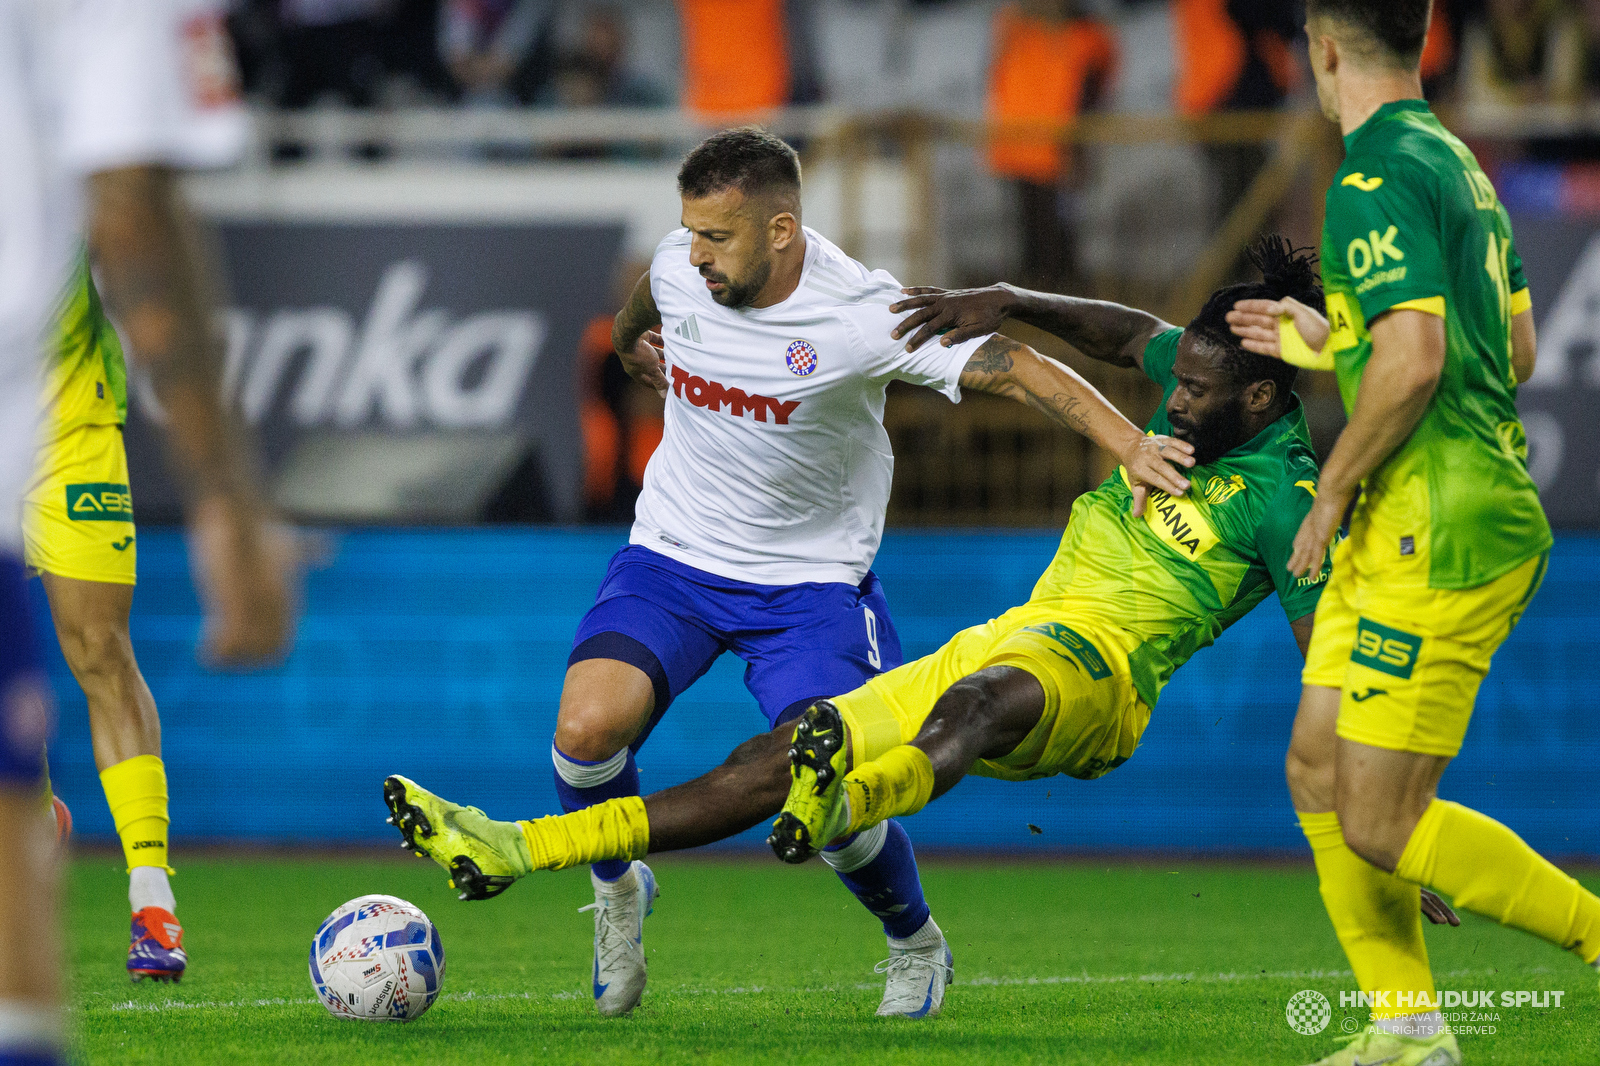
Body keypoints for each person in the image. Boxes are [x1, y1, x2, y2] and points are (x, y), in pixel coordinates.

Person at [382, 239, 1476, 1017]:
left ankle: (850, 799)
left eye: (1194, 393)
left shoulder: (1291, 493)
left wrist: (1388, 810)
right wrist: (1001, 293)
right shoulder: (1192, 391)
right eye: (1172, 384)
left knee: (974, 708)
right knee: (768, 757)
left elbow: (1324, 655)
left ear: (1261, 401)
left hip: (1100, 682)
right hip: (1014, 631)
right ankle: (515, 845)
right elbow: (1120, 333)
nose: (1170, 402)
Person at [385, 125, 1191, 1020]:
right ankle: (618, 892)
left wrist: (1129, 442)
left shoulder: (860, 314)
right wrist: (626, 350)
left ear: (780, 230)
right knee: (586, 729)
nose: (696, 255)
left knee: (820, 777)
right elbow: (640, 303)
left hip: (811, 589)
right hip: (674, 557)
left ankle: (915, 942)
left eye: (717, 237)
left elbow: (1018, 369)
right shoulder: (679, 265)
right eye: (689, 232)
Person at [1224, 3, 1600, 1064]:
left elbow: (1418, 360)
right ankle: (1409, 1029)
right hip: (1419, 511)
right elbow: (1513, 347)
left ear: (1325, 47)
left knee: (1382, 823)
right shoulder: (1458, 164)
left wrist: (1332, 487)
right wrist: (1329, 335)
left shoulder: (1371, 175)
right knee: (1313, 768)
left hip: (1431, 526)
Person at [1, 0, 296, 1057]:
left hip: (64, 410)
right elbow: (138, 206)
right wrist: (231, 497)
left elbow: (126, 206)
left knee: (95, 647)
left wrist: (223, 490)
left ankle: (151, 891)